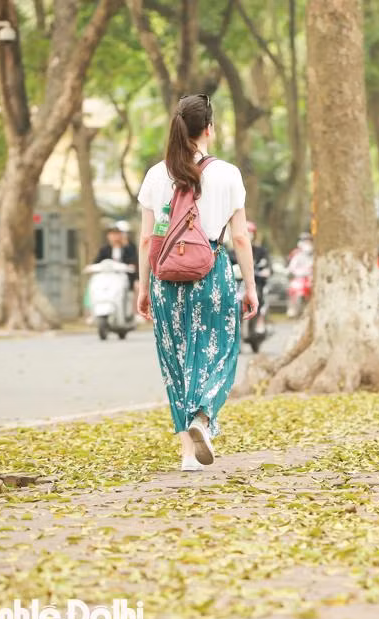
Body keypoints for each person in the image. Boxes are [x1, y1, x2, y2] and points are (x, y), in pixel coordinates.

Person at [136, 93, 258, 473]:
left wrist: (143, 288)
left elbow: (146, 239)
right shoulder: (228, 174)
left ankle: (188, 455)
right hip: (212, 274)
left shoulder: (157, 174)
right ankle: (202, 419)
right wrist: (250, 286)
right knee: (217, 351)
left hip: (165, 279)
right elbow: (240, 237)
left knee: (176, 361)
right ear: (208, 129)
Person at [94, 221, 139, 289]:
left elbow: (133, 262)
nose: (114, 237)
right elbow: (97, 262)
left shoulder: (129, 248)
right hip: (108, 280)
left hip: (126, 280)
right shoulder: (104, 249)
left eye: (117, 234)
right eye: (112, 234)